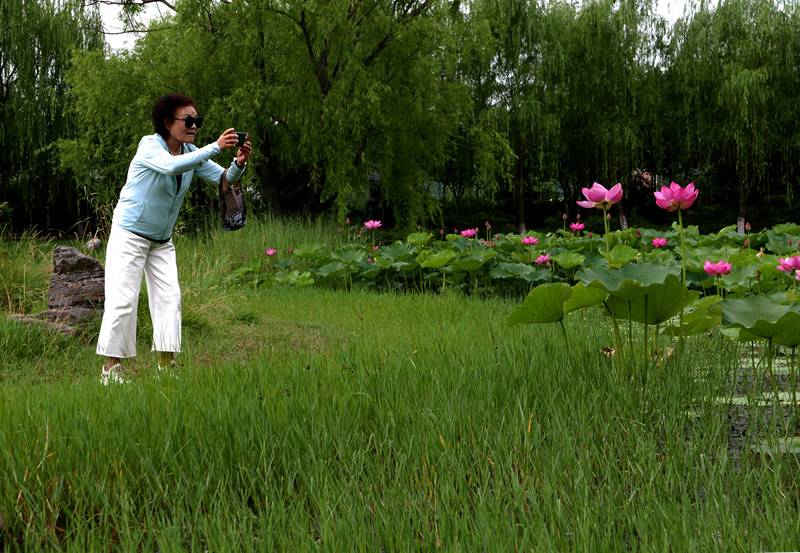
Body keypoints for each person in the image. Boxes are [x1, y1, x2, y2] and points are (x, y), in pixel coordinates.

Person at [96, 93, 252, 384]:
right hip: (129, 235)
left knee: (170, 299)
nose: (194, 125)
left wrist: (239, 163)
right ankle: (111, 371)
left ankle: (165, 369)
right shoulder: (149, 147)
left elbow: (225, 179)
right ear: (168, 123)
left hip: (161, 241)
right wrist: (215, 146)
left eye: (197, 120)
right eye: (188, 120)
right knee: (124, 301)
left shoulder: (190, 152)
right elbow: (170, 166)